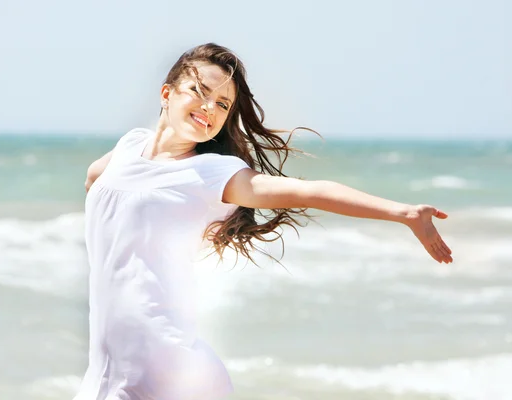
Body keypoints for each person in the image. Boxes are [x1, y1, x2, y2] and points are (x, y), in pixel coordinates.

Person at [74, 43, 453, 400]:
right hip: (108, 372)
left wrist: (402, 213)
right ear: (166, 93)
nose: (209, 107)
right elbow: (96, 178)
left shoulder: (211, 173)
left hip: (168, 374)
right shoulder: (129, 148)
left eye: (222, 105)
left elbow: (310, 191)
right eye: (199, 91)